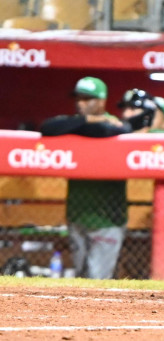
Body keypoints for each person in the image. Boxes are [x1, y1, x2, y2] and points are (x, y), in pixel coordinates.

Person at [39, 77, 131, 279]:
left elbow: (105, 130)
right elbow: (47, 127)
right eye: (78, 99)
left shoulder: (116, 125)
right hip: (78, 215)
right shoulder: (73, 123)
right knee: (81, 277)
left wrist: (86, 124)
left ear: (101, 102)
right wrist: (87, 121)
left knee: (97, 278)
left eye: (87, 99)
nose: (80, 103)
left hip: (107, 218)